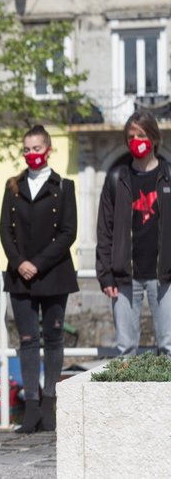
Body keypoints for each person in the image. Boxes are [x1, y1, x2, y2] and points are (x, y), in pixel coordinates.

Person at [0, 125, 78, 434]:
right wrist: (20, 263)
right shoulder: (13, 186)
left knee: (54, 338)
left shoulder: (64, 186)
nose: (32, 154)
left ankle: (49, 404)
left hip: (54, 273)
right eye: (27, 149)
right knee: (28, 340)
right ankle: (31, 407)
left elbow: (69, 232)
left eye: (37, 148)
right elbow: (4, 229)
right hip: (21, 277)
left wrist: (38, 263)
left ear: (48, 149)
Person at [96, 111, 171, 357]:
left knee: (169, 347)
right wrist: (105, 275)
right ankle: (124, 395)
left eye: (141, 134)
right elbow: (104, 229)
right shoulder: (117, 178)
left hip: (164, 276)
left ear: (154, 137)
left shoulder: (169, 175)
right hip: (125, 277)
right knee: (125, 349)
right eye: (131, 136)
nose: (136, 140)